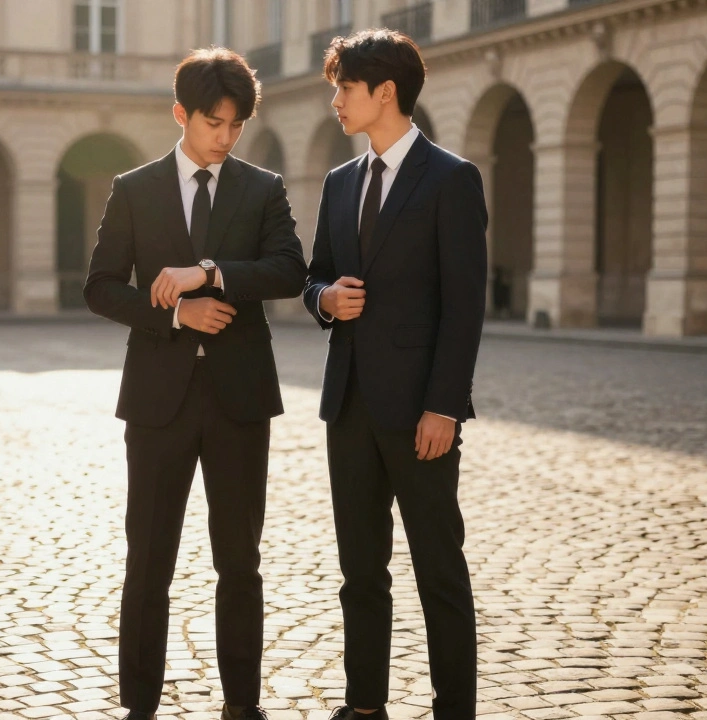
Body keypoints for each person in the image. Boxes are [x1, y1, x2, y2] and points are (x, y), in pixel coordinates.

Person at [83, 47, 307, 720]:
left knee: (240, 564)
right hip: (158, 403)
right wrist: (177, 313)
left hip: (240, 402)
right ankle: (140, 706)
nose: (226, 137)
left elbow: (290, 271)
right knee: (148, 561)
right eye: (214, 123)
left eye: (236, 125)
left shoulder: (261, 187)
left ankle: (244, 707)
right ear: (181, 114)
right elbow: (97, 288)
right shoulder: (135, 188)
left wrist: (208, 272)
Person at [301, 29, 488, 720]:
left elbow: (465, 305)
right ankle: (363, 706)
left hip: (419, 415)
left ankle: (454, 710)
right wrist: (323, 298)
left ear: (385, 92)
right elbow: (315, 273)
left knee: (439, 571)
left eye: (343, 88)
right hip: (347, 404)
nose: (335, 102)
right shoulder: (340, 180)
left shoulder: (451, 178)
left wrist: (444, 406)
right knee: (360, 574)